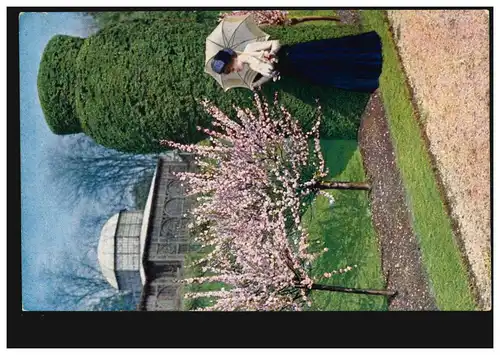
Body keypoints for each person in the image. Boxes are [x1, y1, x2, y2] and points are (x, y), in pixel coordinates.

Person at [210, 31, 383, 93]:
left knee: (332, 56)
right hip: (298, 71)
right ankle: (371, 75)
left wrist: (272, 53)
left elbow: (275, 42)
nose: (233, 71)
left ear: (232, 58)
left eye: (230, 68)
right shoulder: (252, 66)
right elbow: (271, 73)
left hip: (297, 56)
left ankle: (372, 56)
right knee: (333, 74)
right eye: (229, 72)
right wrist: (260, 82)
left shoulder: (250, 49)